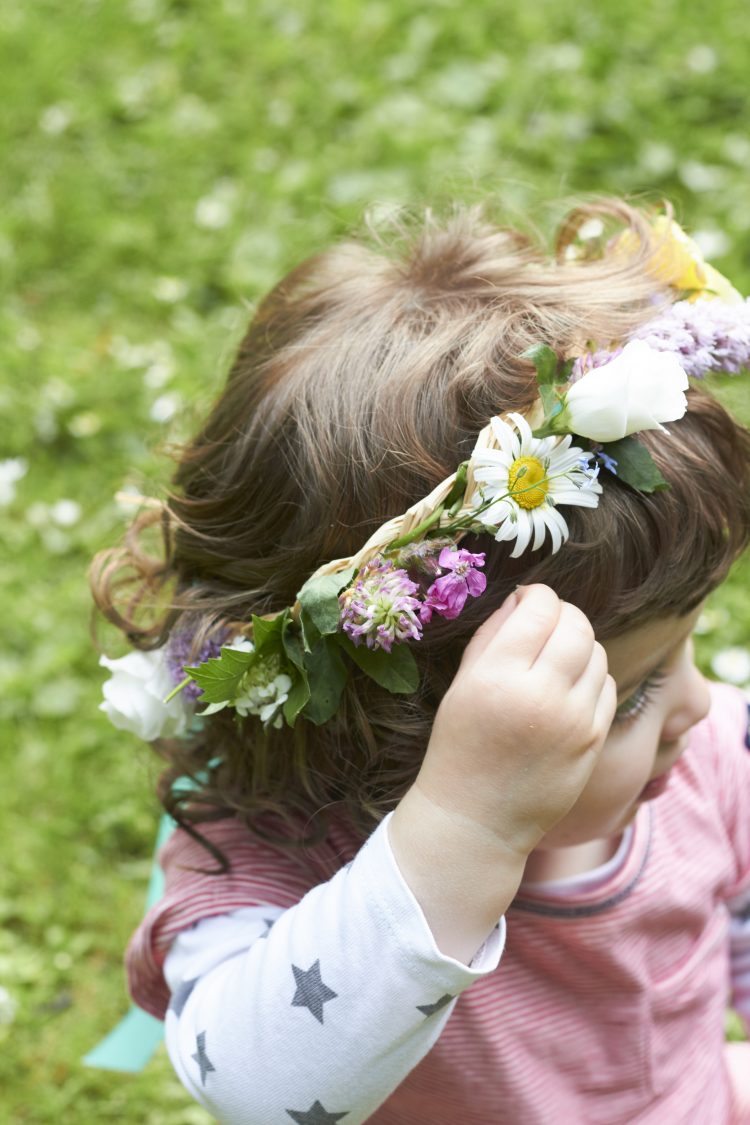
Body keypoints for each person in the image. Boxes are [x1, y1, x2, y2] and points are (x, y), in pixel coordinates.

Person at [91, 198, 750, 1123]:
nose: (698, 707)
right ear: (389, 733)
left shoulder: (707, 753)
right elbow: (254, 1088)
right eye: (631, 691)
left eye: (683, 653)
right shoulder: (276, 858)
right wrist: (466, 826)